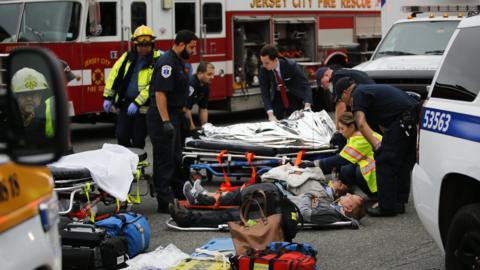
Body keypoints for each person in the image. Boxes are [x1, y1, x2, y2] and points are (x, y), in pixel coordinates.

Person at [333, 77, 419, 217]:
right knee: (402, 162)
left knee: (384, 160)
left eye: (342, 99)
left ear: (345, 93)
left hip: (402, 122)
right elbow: (383, 120)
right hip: (412, 120)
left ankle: (386, 207)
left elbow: (360, 122)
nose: (346, 103)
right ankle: (398, 202)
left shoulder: (358, 94)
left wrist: (377, 146)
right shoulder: (369, 90)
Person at [148, 30, 198, 213]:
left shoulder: (178, 62)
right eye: (191, 47)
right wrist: (166, 121)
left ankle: (178, 193)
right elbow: (160, 93)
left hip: (174, 115)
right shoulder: (167, 63)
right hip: (162, 116)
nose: (193, 51)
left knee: (176, 157)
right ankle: (164, 200)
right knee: (164, 159)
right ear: (181, 44)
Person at [169, 184, 365, 228]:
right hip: (280, 207)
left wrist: (308, 196)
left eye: (350, 198)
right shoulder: (331, 206)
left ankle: (187, 217)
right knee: (249, 195)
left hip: (279, 213)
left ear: (347, 209)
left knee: (234, 216)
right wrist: (310, 198)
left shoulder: (331, 213)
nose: (347, 195)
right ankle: (200, 202)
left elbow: (306, 213)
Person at [103, 25, 161, 149]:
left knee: (138, 139)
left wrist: (137, 102)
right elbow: (114, 75)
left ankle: (137, 165)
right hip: (125, 103)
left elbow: (152, 85)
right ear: (135, 45)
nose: (143, 48)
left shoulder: (157, 60)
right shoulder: (127, 57)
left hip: (143, 107)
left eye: (146, 45)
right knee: (121, 135)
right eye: (140, 45)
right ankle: (127, 161)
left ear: (152, 45)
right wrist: (108, 97)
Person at [301, 112, 381, 198]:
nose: (340, 132)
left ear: (352, 127)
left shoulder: (360, 139)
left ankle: (378, 196)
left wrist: (314, 163)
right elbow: (343, 156)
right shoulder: (356, 135)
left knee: (358, 171)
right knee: (346, 169)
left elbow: (341, 159)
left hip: (383, 166)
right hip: (379, 161)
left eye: (342, 129)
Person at [316, 67, 374, 149]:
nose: (323, 87)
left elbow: (341, 105)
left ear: (326, 75)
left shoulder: (336, 78)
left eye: (322, 84)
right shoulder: (345, 72)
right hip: (372, 100)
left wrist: (338, 131)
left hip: (368, 103)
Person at [259, 45, 312, 121]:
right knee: (275, 119)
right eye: (262, 63)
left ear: (275, 59)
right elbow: (265, 92)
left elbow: (305, 84)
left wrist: (307, 105)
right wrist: (270, 115)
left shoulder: (290, 65)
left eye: (267, 63)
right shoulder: (263, 70)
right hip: (277, 94)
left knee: (296, 120)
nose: (264, 65)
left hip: (293, 93)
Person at [11, 67, 54, 138]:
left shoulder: (50, 113)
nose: (29, 98)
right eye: (23, 93)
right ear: (15, 97)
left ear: (41, 95)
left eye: (34, 93)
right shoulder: (6, 116)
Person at [185, 61, 215, 134]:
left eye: (213, 74)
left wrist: (205, 128)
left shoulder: (205, 86)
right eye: (209, 74)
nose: (212, 77)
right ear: (200, 73)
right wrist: (192, 128)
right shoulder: (191, 84)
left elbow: (203, 108)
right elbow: (186, 109)